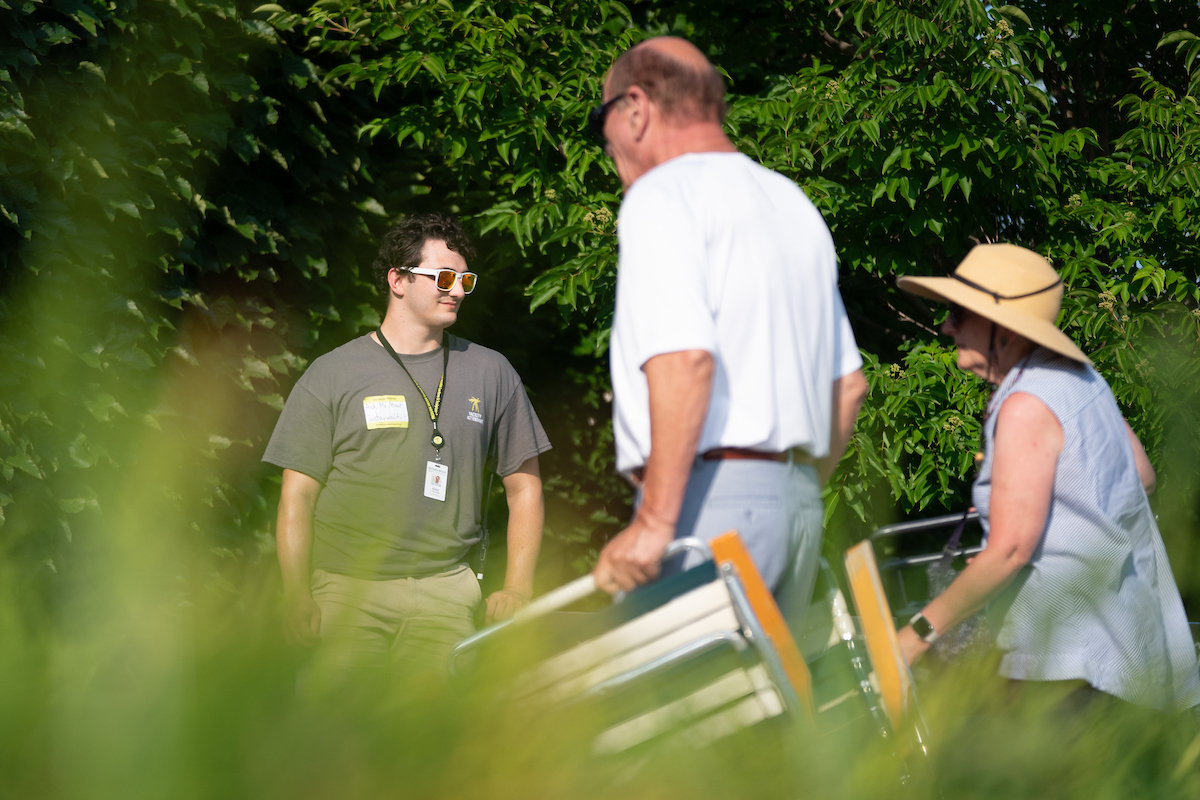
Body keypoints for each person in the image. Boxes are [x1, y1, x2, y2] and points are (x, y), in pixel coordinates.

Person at [589, 37, 868, 633]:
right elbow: (848, 386)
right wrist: (786, 493)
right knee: (759, 716)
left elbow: (685, 359)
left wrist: (658, 521)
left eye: (602, 120)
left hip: (706, 504)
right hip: (796, 506)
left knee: (665, 716)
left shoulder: (661, 195)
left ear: (636, 108)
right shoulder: (791, 203)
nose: (606, 142)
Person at [895, 243, 1200, 712]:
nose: (946, 325)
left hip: (1066, 666)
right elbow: (1142, 475)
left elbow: (1012, 550)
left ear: (1006, 329)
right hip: (1126, 648)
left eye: (959, 312)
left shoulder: (1024, 406)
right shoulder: (1080, 379)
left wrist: (915, 637)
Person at [263, 213, 551, 687]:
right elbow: (296, 496)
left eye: (464, 279)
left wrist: (518, 587)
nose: (456, 290)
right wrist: (296, 593)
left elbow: (524, 489)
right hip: (346, 590)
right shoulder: (333, 373)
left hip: (447, 593)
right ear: (398, 279)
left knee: (429, 744)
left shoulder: (490, 371)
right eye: (442, 277)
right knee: (338, 739)